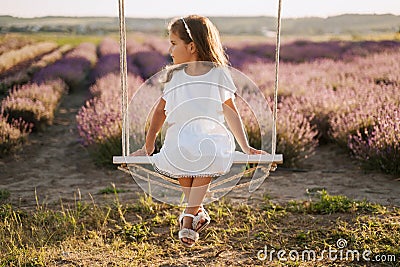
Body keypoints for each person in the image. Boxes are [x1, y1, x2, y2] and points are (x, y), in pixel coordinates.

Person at [130, 15, 266, 247]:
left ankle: (188, 217)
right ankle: (196, 211)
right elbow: (159, 112)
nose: (169, 49)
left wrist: (245, 147)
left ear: (191, 46)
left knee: (206, 149)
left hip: (212, 136)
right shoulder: (173, 76)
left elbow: (230, 112)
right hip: (180, 138)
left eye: (173, 43)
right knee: (180, 148)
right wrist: (148, 145)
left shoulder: (218, 74)